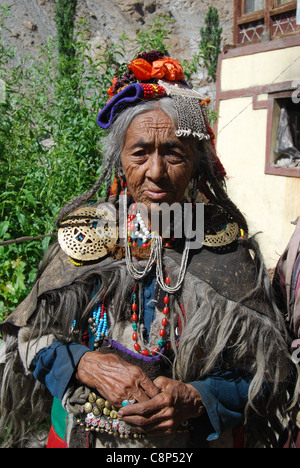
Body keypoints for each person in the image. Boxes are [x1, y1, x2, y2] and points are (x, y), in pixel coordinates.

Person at [0, 50, 298, 449]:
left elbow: (267, 369)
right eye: (140, 152)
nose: (156, 171)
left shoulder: (226, 254)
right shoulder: (86, 237)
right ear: (119, 161)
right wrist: (84, 364)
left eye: (173, 152)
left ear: (197, 163)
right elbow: (31, 337)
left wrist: (198, 397)